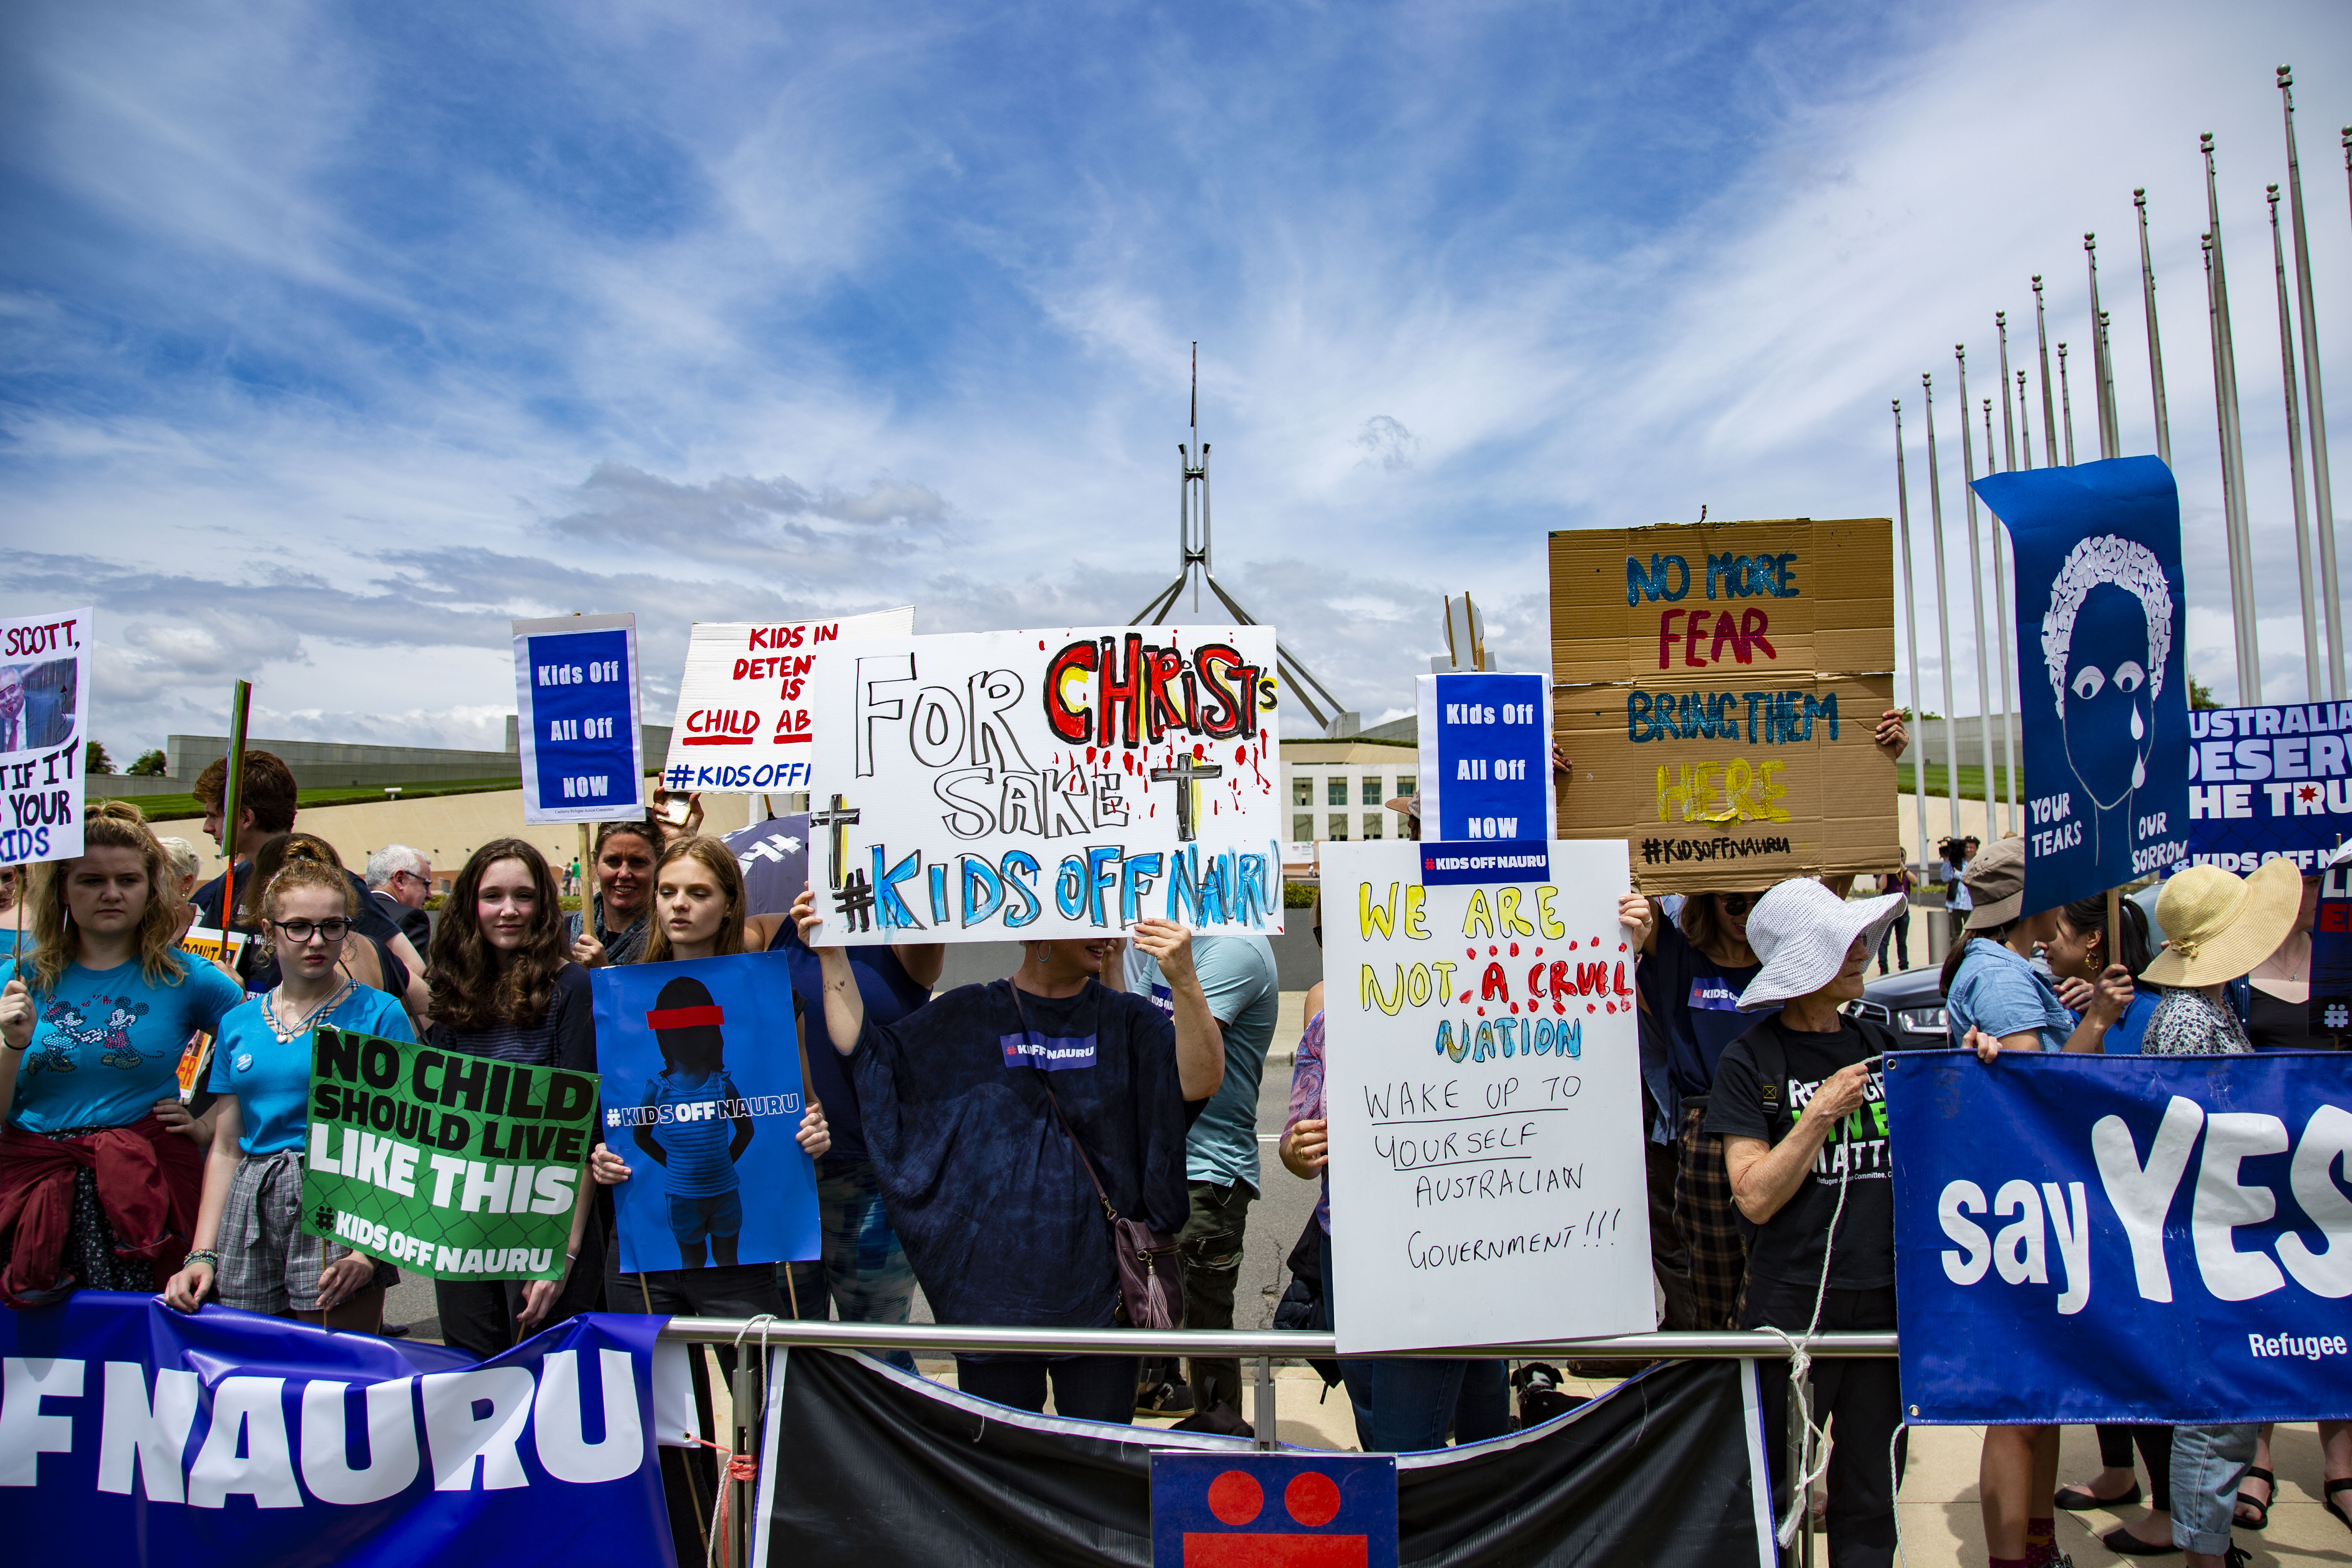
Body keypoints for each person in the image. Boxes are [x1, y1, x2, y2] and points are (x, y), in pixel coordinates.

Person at [791, 888, 1222, 1425]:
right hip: (992, 1299)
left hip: (1100, 1298)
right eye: (1085, 916)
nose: (1105, 931)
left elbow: (1200, 1079)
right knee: (1000, 1465)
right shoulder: (972, 1012)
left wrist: (1184, 980)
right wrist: (831, 953)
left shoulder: (1127, 1019)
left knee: (1098, 1463)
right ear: (1035, 927)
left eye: (1106, 918)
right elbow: (869, 1053)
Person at [1944, 836, 2135, 1568]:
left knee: (2042, 1396)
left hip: (2031, 1197)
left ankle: (2037, 1543)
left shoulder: (2006, 967)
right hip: (2023, 1198)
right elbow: (2038, 1093)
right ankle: (2016, 1557)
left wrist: (2077, 1006)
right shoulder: (1998, 974)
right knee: (2022, 1403)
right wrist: (2098, 1022)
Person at [1710, 877, 1909, 1568]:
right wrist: (1819, 1112)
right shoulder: (1750, 1062)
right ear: (1801, 965)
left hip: (1884, 1303)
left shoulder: (1884, 1040)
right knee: (1773, 1493)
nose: (1861, 950)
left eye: (1859, 937)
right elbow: (1754, 1196)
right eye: (1841, 942)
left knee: (1871, 1495)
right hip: (1792, 1303)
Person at [162, 843, 412, 1331]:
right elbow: (227, 1148)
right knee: (252, 1367)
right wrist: (202, 1252)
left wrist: (367, 1253)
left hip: (344, 1201)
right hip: (250, 1201)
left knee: (337, 1369)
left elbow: (403, 1144)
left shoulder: (382, 1014)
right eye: (299, 927)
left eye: (332, 926)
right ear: (268, 932)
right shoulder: (237, 1023)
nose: (316, 941)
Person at [0, 802, 241, 1304]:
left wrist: (208, 1124)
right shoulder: (17, 980)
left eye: (127, 880)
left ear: (150, 888)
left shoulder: (190, 978)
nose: (111, 893)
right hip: (31, 1196)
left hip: (144, 1194)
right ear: (62, 888)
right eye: (91, 880)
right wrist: (12, 1043)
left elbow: (263, 1062)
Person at [590, 835, 827, 1325]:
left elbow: (801, 1104)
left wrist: (813, 1131)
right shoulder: (619, 998)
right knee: (655, 1396)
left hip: (744, 1253)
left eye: (698, 894)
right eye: (667, 892)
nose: (679, 905)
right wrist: (605, 1157)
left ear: (728, 906)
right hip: (643, 1237)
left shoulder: (771, 998)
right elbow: (616, 1115)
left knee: (756, 1389)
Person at [424, 839, 602, 1357]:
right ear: (469, 906)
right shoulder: (453, 987)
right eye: (492, 896)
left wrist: (562, 1253)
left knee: (547, 1377)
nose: (508, 911)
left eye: (523, 896)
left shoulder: (569, 986)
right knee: (472, 1376)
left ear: (544, 905)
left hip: (544, 1216)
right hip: (463, 1222)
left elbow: (582, 1130)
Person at [755, 872, 939, 1350]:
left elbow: (933, 925)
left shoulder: (904, 935)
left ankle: (885, 1428)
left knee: (879, 1350)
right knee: (789, 1351)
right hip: (786, 1174)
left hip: (872, 1180)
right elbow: (694, 938)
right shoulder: (765, 933)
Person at [1116, 929, 1279, 1421]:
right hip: (1159, 1164)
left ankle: (1223, 1451)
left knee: (1203, 1329)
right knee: (1138, 1315)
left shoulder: (1236, 947)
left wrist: (1179, 976)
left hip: (1205, 1175)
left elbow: (1165, 1058)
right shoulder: (1173, 939)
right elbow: (1132, 1032)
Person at [187, 751, 428, 993]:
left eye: (213, 816)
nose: (207, 827)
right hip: (244, 1028)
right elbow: (200, 968)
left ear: (246, 818)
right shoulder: (233, 881)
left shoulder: (333, 885)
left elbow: (413, 972)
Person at [566, 819, 660, 969]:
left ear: (659, 868)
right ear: (595, 864)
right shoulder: (561, 936)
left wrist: (601, 973)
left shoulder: (670, 941)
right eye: (613, 861)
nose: (624, 874)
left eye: (638, 862)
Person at [364, 844, 435, 955]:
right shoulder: (411, 918)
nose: (430, 895)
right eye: (425, 884)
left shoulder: (347, 913)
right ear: (400, 879)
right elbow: (414, 972)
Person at [1875, 866, 1913, 974]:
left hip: (1904, 912)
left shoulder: (1905, 872)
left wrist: (1904, 869)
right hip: (1889, 912)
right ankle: (1884, 967)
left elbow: (1915, 881)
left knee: (1902, 941)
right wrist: (1887, 870)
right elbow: (1883, 886)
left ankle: (1904, 965)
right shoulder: (1887, 872)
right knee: (1884, 941)